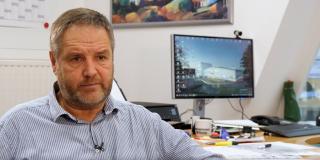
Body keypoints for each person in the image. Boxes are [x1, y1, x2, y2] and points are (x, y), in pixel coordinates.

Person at [0, 8, 223, 159]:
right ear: (54, 62)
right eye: (76, 58)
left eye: (101, 57)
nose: (90, 71)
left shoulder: (143, 122)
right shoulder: (16, 127)